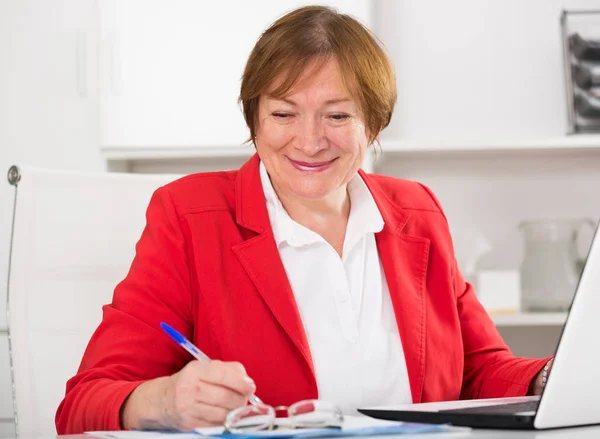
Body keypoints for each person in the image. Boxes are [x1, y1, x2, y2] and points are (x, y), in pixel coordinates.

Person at [55, 5, 553, 434]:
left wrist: (547, 378)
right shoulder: (189, 216)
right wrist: (165, 402)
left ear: (373, 124)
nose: (310, 141)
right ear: (254, 119)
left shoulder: (415, 212)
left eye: (337, 116)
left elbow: (479, 368)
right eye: (284, 114)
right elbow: (82, 403)